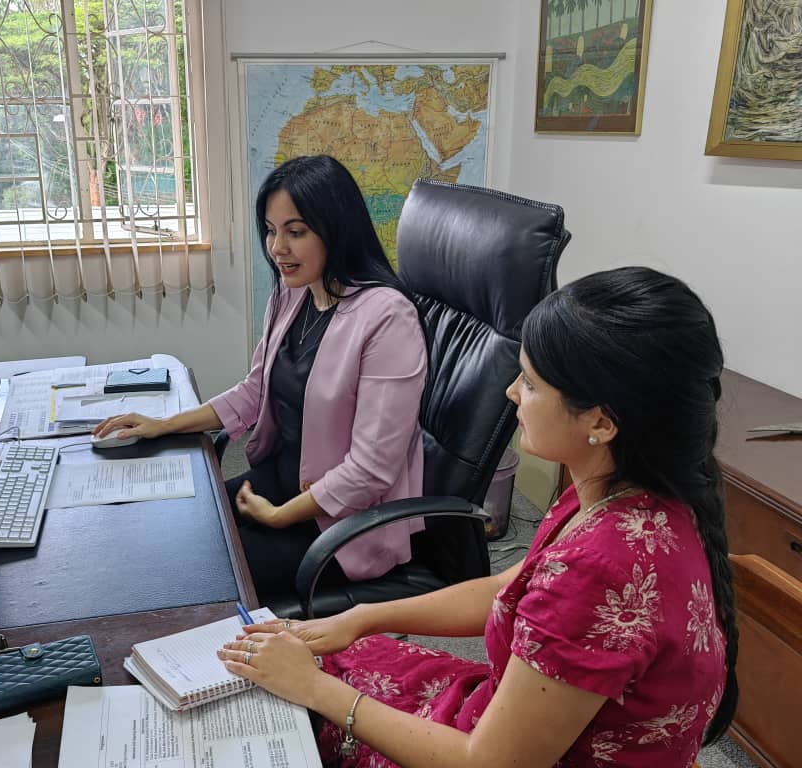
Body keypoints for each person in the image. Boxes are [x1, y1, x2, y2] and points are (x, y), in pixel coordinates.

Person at [218, 267, 739, 768]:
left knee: (286, 706)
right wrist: (361, 618)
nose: (511, 392)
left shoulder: (600, 567)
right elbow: (511, 589)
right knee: (331, 656)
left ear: (601, 423)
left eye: (530, 383)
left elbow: (487, 761)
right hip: (507, 722)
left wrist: (314, 689)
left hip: (492, 753)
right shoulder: (627, 492)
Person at [94, 155, 427, 596]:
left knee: (190, 576)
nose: (277, 248)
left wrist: (279, 516)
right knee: (171, 528)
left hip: (342, 526)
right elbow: (256, 390)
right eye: (271, 230)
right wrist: (164, 424)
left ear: (336, 228)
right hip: (279, 484)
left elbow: (372, 470)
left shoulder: (388, 318)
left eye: (296, 232)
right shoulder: (293, 294)